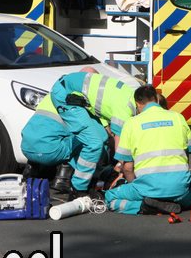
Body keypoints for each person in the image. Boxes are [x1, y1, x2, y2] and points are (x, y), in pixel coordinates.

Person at [105, 85, 191, 215]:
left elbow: (127, 168)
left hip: (147, 189)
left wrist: (134, 185)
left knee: (110, 197)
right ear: (156, 99)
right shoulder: (178, 118)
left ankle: (144, 206)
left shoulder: (131, 123)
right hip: (179, 188)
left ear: (137, 104)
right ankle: (175, 202)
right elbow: (186, 154)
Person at [50, 68, 136, 196]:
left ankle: (86, 180)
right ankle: (78, 189)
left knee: (102, 137)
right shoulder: (125, 108)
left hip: (72, 90)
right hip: (65, 95)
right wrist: (121, 168)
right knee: (94, 143)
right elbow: (120, 148)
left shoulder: (130, 94)